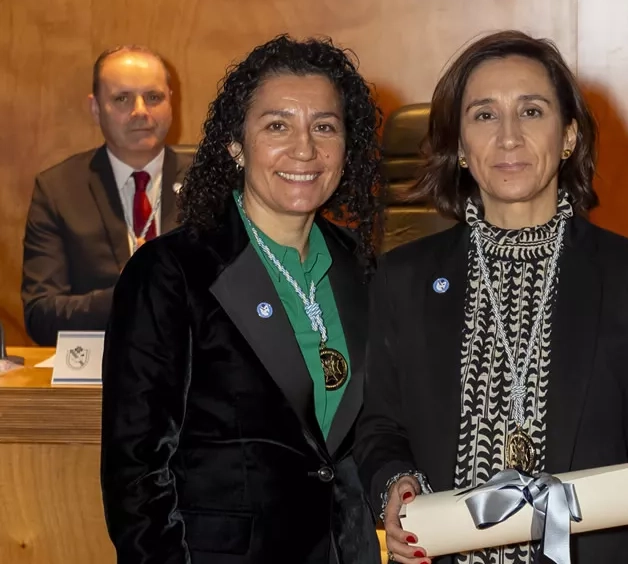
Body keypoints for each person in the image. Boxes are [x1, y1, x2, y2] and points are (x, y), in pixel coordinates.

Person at [355, 30, 628, 564]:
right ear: (459, 146)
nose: (509, 136)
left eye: (532, 112)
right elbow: (380, 428)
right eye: (484, 115)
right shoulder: (402, 278)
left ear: (569, 137)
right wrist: (395, 485)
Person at [99, 35, 385, 563]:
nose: (305, 149)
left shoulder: (362, 268)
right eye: (277, 126)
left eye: (325, 126)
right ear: (236, 145)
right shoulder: (170, 273)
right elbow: (136, 476)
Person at [21, 45, 191, 346]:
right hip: (101, 365)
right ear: (96, 108)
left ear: (170, 102)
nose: (141, 111)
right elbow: (40, 315)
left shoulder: (211, 183)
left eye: (153, 97)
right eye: (122, 98)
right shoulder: (58, 189)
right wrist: (126, 294)